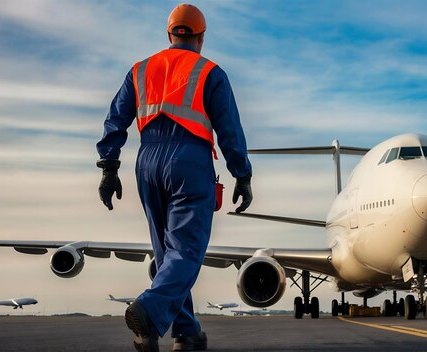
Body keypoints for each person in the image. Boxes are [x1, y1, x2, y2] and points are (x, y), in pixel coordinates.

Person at [95, 4, 253, 351]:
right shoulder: (210, 72)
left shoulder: (139, 70)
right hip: (188, 161)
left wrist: (109, 168)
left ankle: (185, 332)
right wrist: (242, 174)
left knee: (168, 256)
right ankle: (149, 311)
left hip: (147, 161)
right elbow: (230, 131)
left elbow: (115, 119)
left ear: (170, 34)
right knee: (186, 251)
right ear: (200, 36)